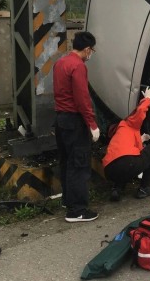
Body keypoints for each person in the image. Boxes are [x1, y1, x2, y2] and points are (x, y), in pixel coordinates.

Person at [53, 31, 100, 222]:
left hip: (61, 120)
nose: (91, 54)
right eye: (92, 51)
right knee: (79, 164)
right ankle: (77, 210)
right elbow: (82, 99)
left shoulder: (60, 63)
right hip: (75, 121)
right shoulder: (78, 66)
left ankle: (68, 200)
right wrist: (92, 123)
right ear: (87, 49)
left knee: (66, 162)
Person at [102, 87, 150, 201]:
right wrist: (147, 99)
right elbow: (139, 112)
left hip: (109, 170)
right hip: (127, 162)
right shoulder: (129, 123)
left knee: (126, 164)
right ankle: (145, 188)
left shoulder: (119, 132)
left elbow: (129, 148)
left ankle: (117, 189)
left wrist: (141, 139)